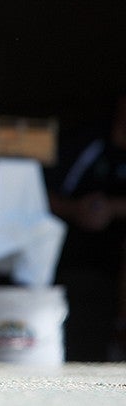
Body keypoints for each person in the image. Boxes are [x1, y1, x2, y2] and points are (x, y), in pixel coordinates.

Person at [46, 87, 126, 361]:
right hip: (77, 248)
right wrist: (76, 210)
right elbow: (42, 197)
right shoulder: (90, 142)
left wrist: (114, 208)